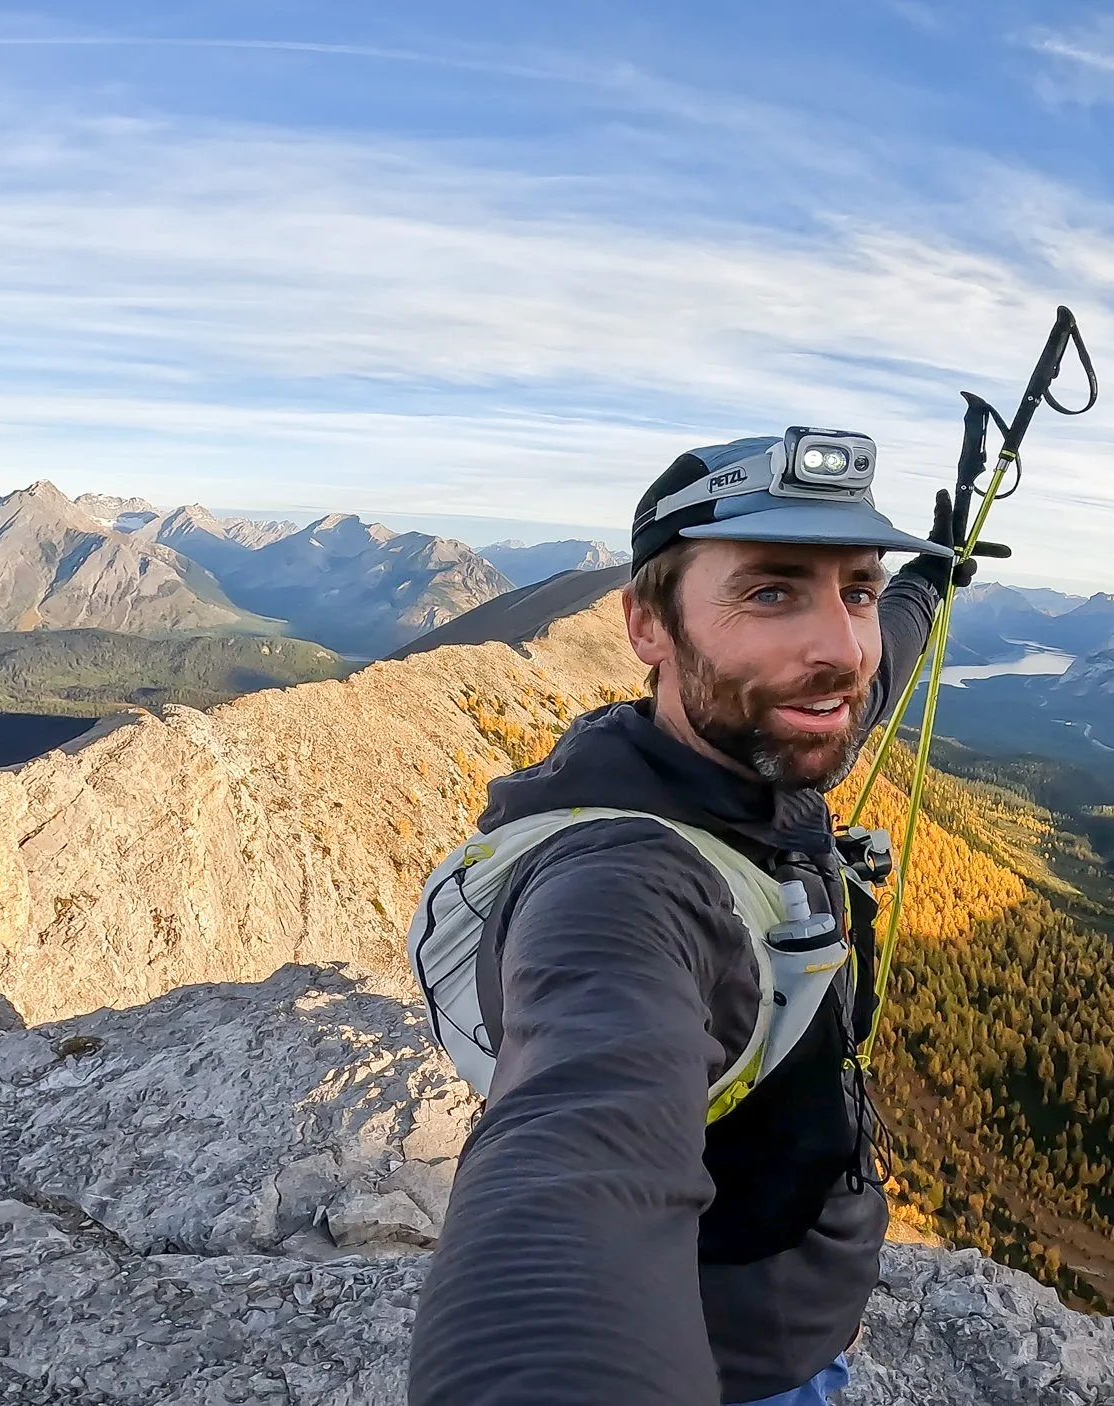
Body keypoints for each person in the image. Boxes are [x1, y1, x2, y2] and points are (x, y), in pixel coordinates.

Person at [406, 430, 991, 1404]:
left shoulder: (762, 725)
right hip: (746, 1368)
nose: (839, 646)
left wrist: (924, 579)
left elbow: (880, 656)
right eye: (769, 592)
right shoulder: (615, 882)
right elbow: (577, 1145)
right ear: (647, 624)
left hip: (800, 1303)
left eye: (852, 587)